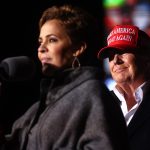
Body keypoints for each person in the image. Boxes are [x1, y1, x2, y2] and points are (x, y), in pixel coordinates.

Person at [0, 5, 129, 150]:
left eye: (52, 40)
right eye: (40, 41)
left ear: (78, 49)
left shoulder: (92, 94)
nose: (41, 48)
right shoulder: (41, 106)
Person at [98, 24, 150, 150]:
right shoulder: (101, 103)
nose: (115, 60)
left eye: (122, 51)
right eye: (110, 55)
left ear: (146, 56)